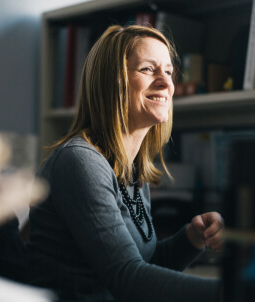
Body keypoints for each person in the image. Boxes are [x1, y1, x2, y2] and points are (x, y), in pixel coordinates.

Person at [26, 24, 224, 302]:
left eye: (168, 71)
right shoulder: (80, 162)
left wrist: (191, 237)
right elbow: (127, 279)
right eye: (147, 69)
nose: (166, 83)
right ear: (112, 82)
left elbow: (144, 266)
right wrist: (234, 294)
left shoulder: (130, 172)